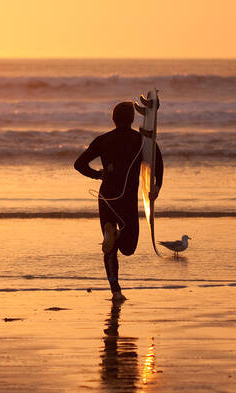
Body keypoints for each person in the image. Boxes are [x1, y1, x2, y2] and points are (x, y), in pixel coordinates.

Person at [74, 101, 163, 302]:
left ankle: (116, 291)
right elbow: (158, 163)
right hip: (126, 199)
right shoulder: (141, 141)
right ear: (132, 119)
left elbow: (79, 164)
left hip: (106, 197)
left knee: (110, 250)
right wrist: (157, 187)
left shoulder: (103, 140)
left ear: (113, 119)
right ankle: (116, 234)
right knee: (128, 248)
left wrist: (97, 175)